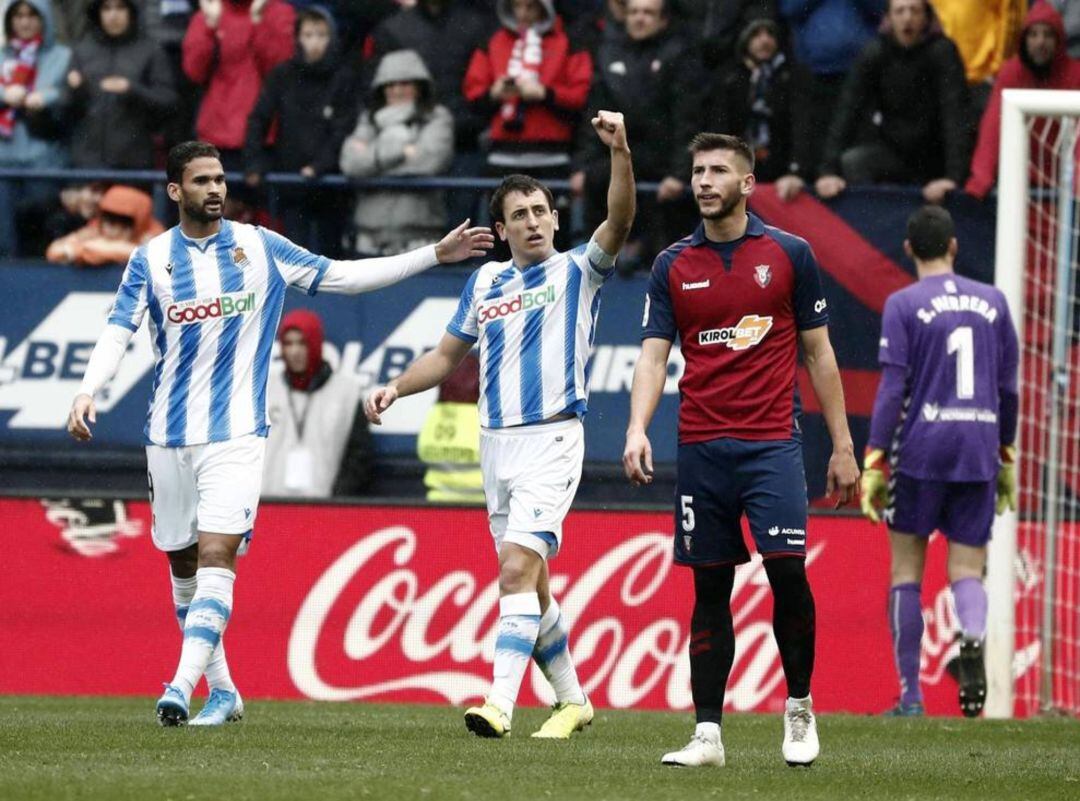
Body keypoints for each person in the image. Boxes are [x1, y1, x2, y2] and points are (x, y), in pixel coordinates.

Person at [66, 140, 493, 727]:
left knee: (219, 552)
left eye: (219, 179)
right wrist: (89, 389)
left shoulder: (259, 246)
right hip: (167, 433)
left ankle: (181, 684)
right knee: (183, 566)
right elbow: (118, 330)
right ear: (174, 191)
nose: (215, 189)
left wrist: (433, 256)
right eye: (201, 181)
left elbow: (343, 277)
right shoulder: (151, 259)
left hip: (238, 431)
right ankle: (223, 692)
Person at [364, 109, 635, 739]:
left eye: (541, 211)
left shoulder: (578, 270)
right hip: (497, 447)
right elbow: (446, 356)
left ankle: (499, 704)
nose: (534, 222)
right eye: (521, 215)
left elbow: (619, 219)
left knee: (514, 569)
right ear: (502, 228)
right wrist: (395, 389)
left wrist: (620, 151)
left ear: (555, 218)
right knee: (531, 586)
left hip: (553, 438)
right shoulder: (485, 280)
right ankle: (573, 701)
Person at [623, 133, 859, 767]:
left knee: (786, 573)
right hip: (701, 449)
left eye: (718, 170)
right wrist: (637, 427)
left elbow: (820, 354)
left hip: (771, 446)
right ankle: (707, 736)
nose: (704, 181)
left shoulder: (789, 254)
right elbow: (652, 357)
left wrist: (842, 445)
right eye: (697, 169)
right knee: (709, 590)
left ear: (748, 184)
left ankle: (800, 709)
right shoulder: (672, 263)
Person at [860, 206, 1019, 718]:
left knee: (907, 567)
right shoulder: (994, 301)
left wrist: (875, 457)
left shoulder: (904, 304)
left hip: (921, 447)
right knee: (968, 568)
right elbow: (1009, 389)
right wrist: (1007, 451)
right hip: (979, 444)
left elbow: (892, 388)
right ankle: (970, 637)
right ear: (953, 246)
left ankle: (910, 697)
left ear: (908, 250)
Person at [572, 0, 699, 269]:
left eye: (648, 13)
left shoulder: (679, 55)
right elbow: (593, 115)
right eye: (634, 12)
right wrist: (582, 165)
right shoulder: (608, 53)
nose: (640, 18)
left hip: (660, 160)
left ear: (663, 20)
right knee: (596, 176)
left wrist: (679, 173)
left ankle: (646, 255)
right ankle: (601, 253)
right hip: (617, 153)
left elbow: (685, 121)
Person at [814, 0, 969, 204]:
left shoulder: (943, 51)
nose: (907, 18)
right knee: (853, 162)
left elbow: (955, 116)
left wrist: (953, 178)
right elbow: (847, 110)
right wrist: (827, 171)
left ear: (926, 17)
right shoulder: (875, 51)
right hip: (893, 149)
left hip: (934, 153)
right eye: (900, 11)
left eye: (914, 10)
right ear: (889, 17)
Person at [244, 5, 348, 253]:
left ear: (331, 38)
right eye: (308, 35)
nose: (314, 43)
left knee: (331, 259)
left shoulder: (343, 77)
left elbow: (344, 128)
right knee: (293, 258)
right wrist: (253, 163)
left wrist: (319, 166)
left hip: (331, 183)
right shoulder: (282, 75)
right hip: (290, 182)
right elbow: (258, 119)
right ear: (298, 38)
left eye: (321, 35)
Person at [339, 49, 454, 256]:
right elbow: (350, 163)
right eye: (390, 85)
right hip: (370, 236)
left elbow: (429, 162)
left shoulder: (437, 117)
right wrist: (401, 151)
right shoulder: (369, 119)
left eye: (404, 83)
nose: (397, 90)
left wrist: (372, 160)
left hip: (420, 236)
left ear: (419, 87)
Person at [965, 2, 1080, 200]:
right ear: (1024, 39)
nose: (1040, 42)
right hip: (1021, 187)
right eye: (1033, 35)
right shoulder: (1011, 72)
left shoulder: (1075, 74)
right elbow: (993, 126)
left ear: (1059, 39)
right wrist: (981, 177)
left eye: (1048, 35)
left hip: (1065, 189)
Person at [262, 309, 374, 497]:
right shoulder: (266, 390)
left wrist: (337, 500)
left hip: (322, 508)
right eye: (288, 343)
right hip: (269, 505)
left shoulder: (346, 393)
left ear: (315, 343)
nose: (295, 351)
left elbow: (359, 456)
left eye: (302, 343)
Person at [182, 0, 295, 167]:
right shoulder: (209, 12)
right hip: (217, 133)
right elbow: (194, 72)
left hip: (267, 134)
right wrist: (210, 26)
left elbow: (279, 69)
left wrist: (257, 21)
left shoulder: (279, 12)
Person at [67, 0, 177, 170]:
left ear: (131, 11)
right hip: (86, 164)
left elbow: (169, 101)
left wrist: (132, 89)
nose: (113, 15)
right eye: (107, 8)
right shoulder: (82, 51)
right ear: (98, 12)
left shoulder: (151, 50)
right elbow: (64, 110)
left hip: (133, 165)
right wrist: (75, 89)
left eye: (120, 7)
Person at [0, 0, 72, 258]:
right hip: (4, 160)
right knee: (5, 240)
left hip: (45, 159)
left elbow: (69, 94)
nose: (25, 21)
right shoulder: (2, 56)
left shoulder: (61, 55)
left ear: (44, 19)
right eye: (18, 15)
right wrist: (5, 94)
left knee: (42, 235)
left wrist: (45, 97)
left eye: (32, 15)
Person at [417, 352, 484, 504]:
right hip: (485, 509)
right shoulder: (488, 420)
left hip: (437, 504)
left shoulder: (435, 415)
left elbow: (423, 452)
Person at [46, 184, 164, 266]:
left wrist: (91, 249)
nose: (113, 226)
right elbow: (55, 252)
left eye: (123, 220)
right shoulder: (96, 229)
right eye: (109, 218)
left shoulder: (154, 235)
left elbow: (155, 258)